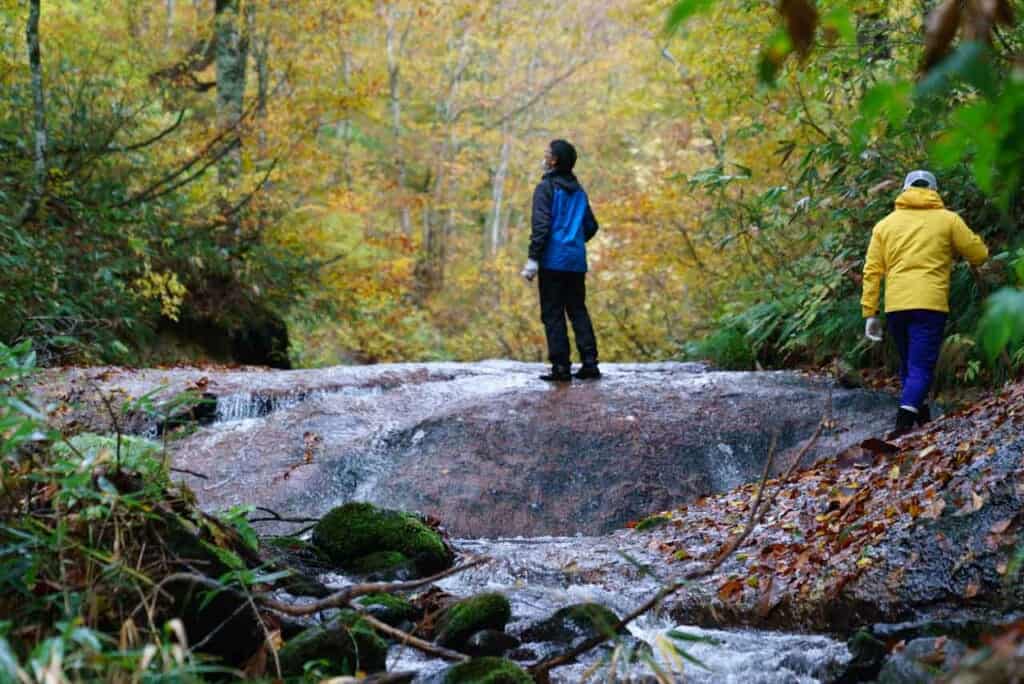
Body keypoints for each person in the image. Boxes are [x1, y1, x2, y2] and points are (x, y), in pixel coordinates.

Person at [862, 170, 988, 437]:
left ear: (905, 190)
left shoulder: (885, 225)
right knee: (920, 367)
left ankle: (924, 423)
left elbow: (872, 271)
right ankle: (902, 426)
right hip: (929, 303)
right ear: (933, 190)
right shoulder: (948, 220)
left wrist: (870, 313)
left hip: (896, 305)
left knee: (909, 365)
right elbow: (979, 254)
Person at [521, 140, 600, 382]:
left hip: (553, 262)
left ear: (554, 161)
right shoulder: (578, 190)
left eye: (547, 153)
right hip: (576, 262)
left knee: (553, 313)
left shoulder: (545, 188)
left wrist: (533, 258)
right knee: (577, 310)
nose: (544, 156)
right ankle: (590, 363)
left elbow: (541, 226)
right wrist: (574, 241)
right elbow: (591, 226)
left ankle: (561, 368)